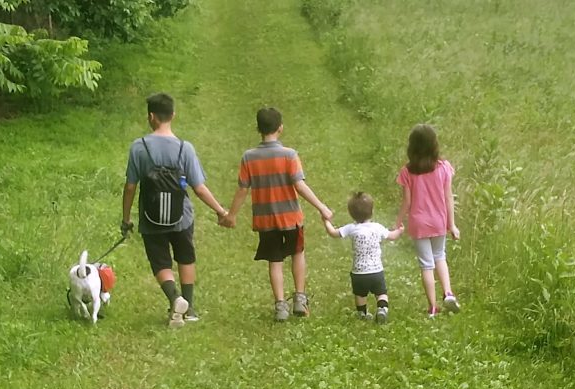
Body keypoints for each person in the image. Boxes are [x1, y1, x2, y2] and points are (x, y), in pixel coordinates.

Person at [121, 93, 229, 328]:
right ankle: (188, 308)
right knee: (185, 257)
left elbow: (130, 187)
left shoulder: (138, 148)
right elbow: (199, 188)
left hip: (151, 218)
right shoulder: (185, 148)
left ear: (151, 117)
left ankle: (174, 298)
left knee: (160, 262)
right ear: (173, 115)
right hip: (182, 216)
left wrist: (126, 218)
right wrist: (221, 211)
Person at [223, 107, 333, 322]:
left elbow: (242, 190)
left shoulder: (249, 158)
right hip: (291, 218)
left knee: (275, 260)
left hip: (265, 220)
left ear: (258, 129)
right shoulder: (289, 155)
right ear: (280, 128)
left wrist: (232, 215)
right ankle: (300, 299)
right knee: (298, 253)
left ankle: (280, 305)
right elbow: (299, 186)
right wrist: (321, 207)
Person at [395, 124, 461, 318]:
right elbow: (449, 197)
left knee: (426, 264)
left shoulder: (407, 172)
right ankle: (448, 293)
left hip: (418, 223)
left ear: (412, 147)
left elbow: (407, 201)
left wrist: (398, 221)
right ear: (434, 145)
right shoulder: (443, 168)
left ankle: (432, 307)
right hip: (439, 221)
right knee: (440, 255)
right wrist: (452, 224)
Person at [322, 192, 404, 324]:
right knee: (381, 292)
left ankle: (362, 312)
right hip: (376, 271)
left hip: (359, 272)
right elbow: (392, 236)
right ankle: (382, 308)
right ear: (372, 211)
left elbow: (333, 233)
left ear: (351, 213)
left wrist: (326, 221)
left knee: (360, 294)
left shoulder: (351, 228)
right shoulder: (377, 227)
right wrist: (399, 231)